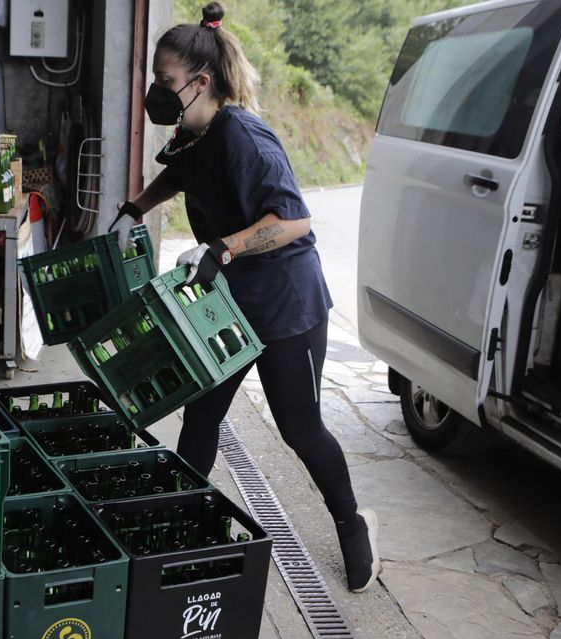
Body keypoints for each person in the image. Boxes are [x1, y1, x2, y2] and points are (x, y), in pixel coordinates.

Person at [115, 1, 380, 592]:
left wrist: (225, 248)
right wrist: (137, 205)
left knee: (300, 427)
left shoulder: (246, 138)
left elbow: (294, 222)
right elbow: (178, 175)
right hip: (229, 304)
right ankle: (180, 516)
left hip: (286, 306)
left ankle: (353, 522)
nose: (156, 93)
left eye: (165, 82)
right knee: (202, 409)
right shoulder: (195, 132)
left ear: (200, 82)